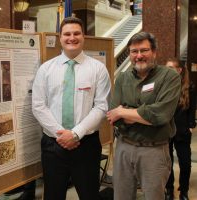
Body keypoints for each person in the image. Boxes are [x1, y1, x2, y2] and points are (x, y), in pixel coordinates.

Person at [32, 17, 111, 200]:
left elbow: (101, 106)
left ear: (84, 36)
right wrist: (62, 135)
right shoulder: (46, 69)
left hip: (86, 145)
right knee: (53, 195)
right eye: (67, 34)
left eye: (76, 33)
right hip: (53, 145)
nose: (72, 38)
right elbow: (38, 105)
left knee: (89, 194)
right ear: (60, 37)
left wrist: (75, 134)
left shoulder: (98, 69)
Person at [106, 32, 181, 200]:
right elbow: (112, 115)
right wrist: (139, 114)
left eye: (144, 50)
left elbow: (161, 114)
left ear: (154, 52)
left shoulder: (169, 77)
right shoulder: (123, 78)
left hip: (154, 151)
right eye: (134, 51)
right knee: (121, 196)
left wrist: (123, 111)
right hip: (123, 148)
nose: (139, 56)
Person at [165, 58, 196, 200]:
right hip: (166, 131)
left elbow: (192, 109)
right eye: (167, 68)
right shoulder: (163, 86)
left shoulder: (190, 87)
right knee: (168, 163)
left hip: (183, 132)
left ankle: (184, 191)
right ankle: (169, 190)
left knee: (185, 164)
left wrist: (191, 126)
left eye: (171, 68)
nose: (168, 71)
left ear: (179, 70)